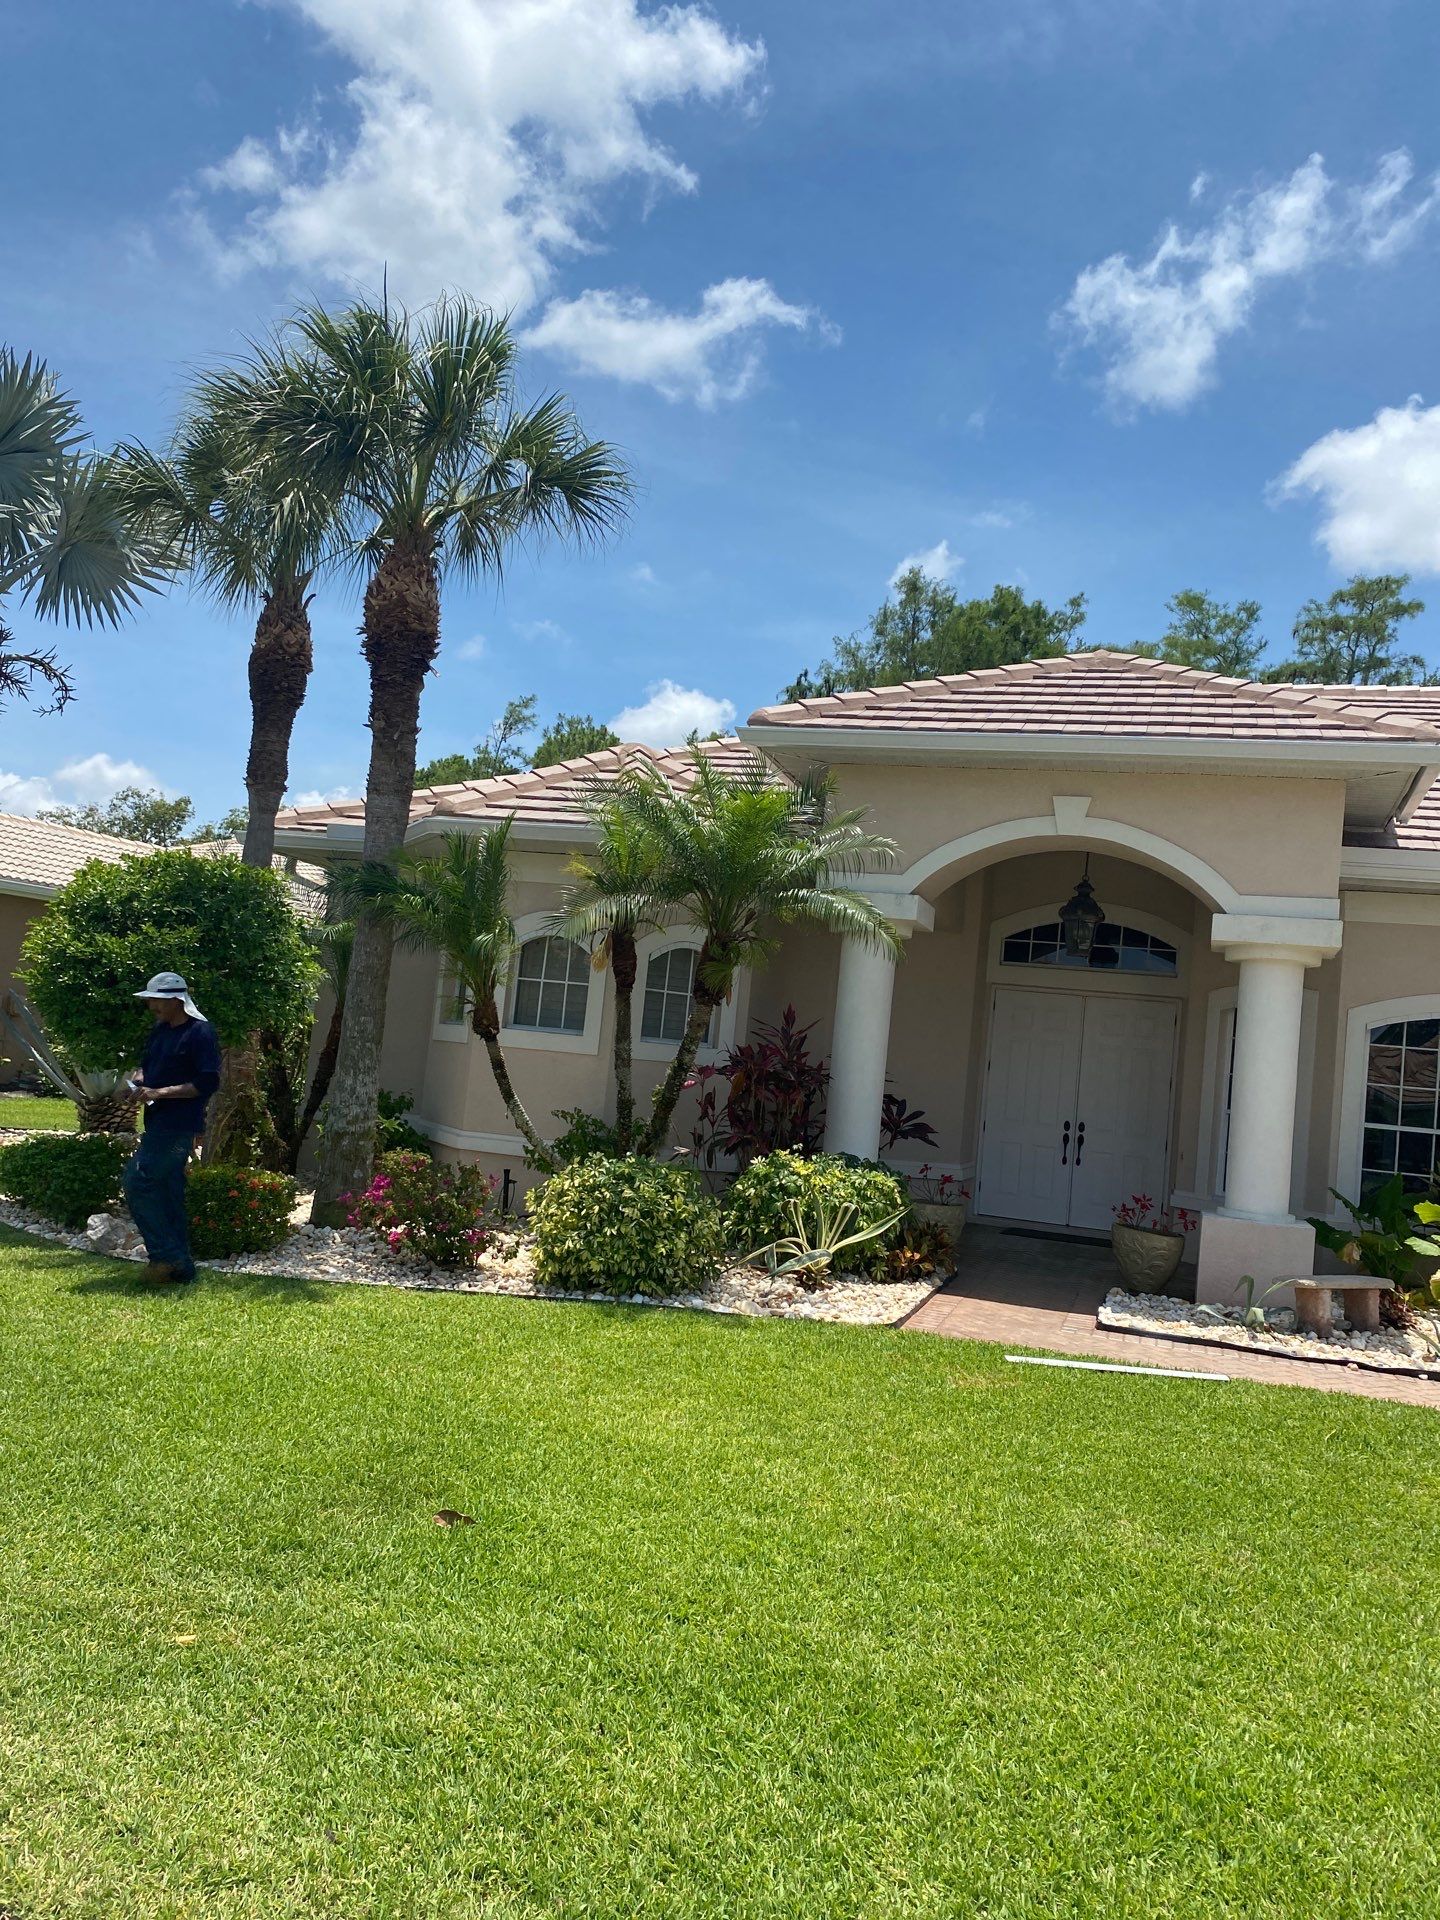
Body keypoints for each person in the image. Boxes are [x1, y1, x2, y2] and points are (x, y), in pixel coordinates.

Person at [121, 972, 221, 1284]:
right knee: (168, 1191)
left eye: (157, 1000)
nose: (151, 1005)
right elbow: (145, 1065)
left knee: (138, 1181)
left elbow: (207, 1083)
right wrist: (139, 1079)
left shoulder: (200, 1033)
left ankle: (166, 1257)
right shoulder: (160, 1030)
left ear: (178, 1001)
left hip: (179, 1125)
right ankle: (182, 1269)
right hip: (157, 1122)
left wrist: (158, 1093)